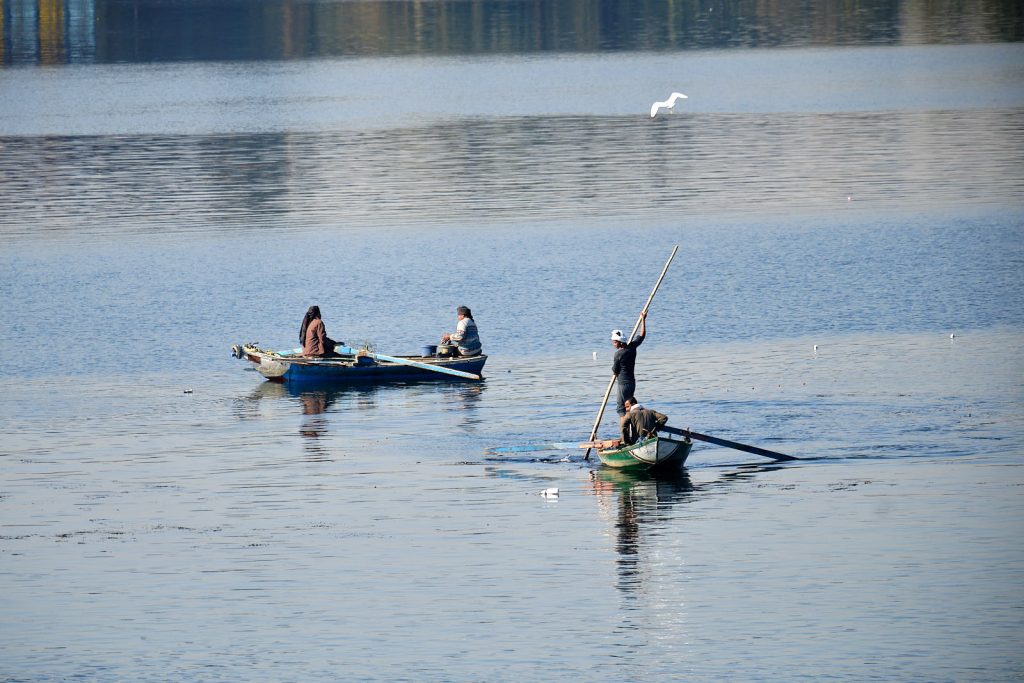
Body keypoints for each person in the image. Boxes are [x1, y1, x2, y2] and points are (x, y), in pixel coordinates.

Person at [611, 310, 646, 417]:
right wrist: (643, 320)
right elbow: (642, 335)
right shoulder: (632, 347)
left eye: (614, 342)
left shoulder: (618, 354)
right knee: (629, 407)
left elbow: (615, 371)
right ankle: (632, 428)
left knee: (621, 408)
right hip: (632, 383)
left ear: (619, 342)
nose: (613, 344)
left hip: (623, 384)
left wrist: (614, 372)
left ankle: (624, 431)